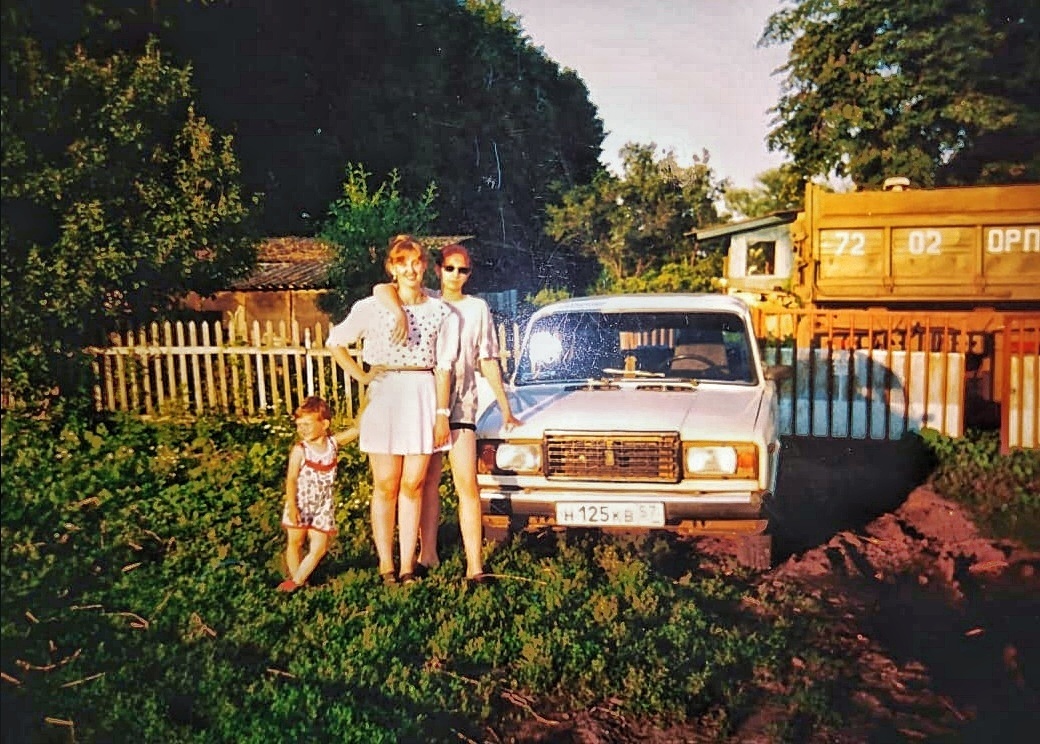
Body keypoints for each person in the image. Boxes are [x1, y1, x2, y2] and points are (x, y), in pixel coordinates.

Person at [375, 243, 521, 583]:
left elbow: (487, 359)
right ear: (437, 270)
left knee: (466, 483)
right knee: (424, 482)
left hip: (460, 405)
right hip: (422, 405)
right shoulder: (422, 299)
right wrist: (397, 312)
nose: (456, 275)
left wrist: (505, 407)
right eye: (450, 268)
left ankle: (475, 566)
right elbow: (382, 288)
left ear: (469, 274)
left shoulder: (477, 308)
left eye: (463, 269)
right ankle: (427, 554)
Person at [326, 234, 459, 586]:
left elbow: (444, 366)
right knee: (385, 484)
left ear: (425, 266)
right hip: (385, 396)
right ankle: (386, 565)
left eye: (416, 262)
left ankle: (407, 566)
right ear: (392, 268)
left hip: (422, 395)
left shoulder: (440, 312)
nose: (411, 269)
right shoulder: (372, 307)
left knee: (413, 484)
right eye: (402, 263)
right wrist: (363, 376)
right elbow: (335, 342)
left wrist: (442, 414)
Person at [277, 396, 359, 592]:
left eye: (307, 424)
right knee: (296, 542)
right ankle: (298, 581)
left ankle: (295, 582)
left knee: (319, 547)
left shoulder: (332, 444)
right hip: (301, 502)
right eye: (299, 425)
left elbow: (356, 430)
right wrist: (293, 505)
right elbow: (291, 479)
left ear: (325, 424)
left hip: (323, 505)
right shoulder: (300, 450)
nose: (302, 429)